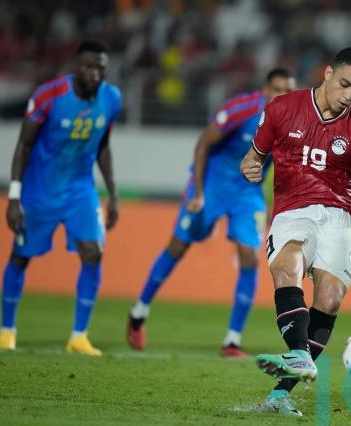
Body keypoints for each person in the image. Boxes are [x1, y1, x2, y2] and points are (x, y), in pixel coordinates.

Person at [240, 47, 351, 416]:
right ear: (328, 73)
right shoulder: (281, 109)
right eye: (345, 84)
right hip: (293, 208)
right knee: (286, 267)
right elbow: (254, 158)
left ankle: (280, 393)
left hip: (340, 215)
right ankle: (301, 355)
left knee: (329, 300)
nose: (349, 95)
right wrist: (249, 167)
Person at [126, 68, 296, 357]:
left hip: (247, 193)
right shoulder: (241, 109)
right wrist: (197, 192)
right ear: (265, 91)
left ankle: (232, 341)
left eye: (288, 91)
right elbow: (204, 143)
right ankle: (139, 312)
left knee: (249, 257)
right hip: (213, 184)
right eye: (277, 89)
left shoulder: (293, 123)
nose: (282, 95)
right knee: (178, 246)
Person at [0, 40, 121, 356]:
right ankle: (7, 330)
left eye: (100, 68)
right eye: (88, 66)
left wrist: (113, 194)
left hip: (81, 190)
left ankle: (79, 336)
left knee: (93, 252)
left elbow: (103, 146)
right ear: (76, 67)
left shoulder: (112, 98)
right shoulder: (48, 96)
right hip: (41, 190)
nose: (94, 73)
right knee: (21, 257)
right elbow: (23, 146)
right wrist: (14, 197)